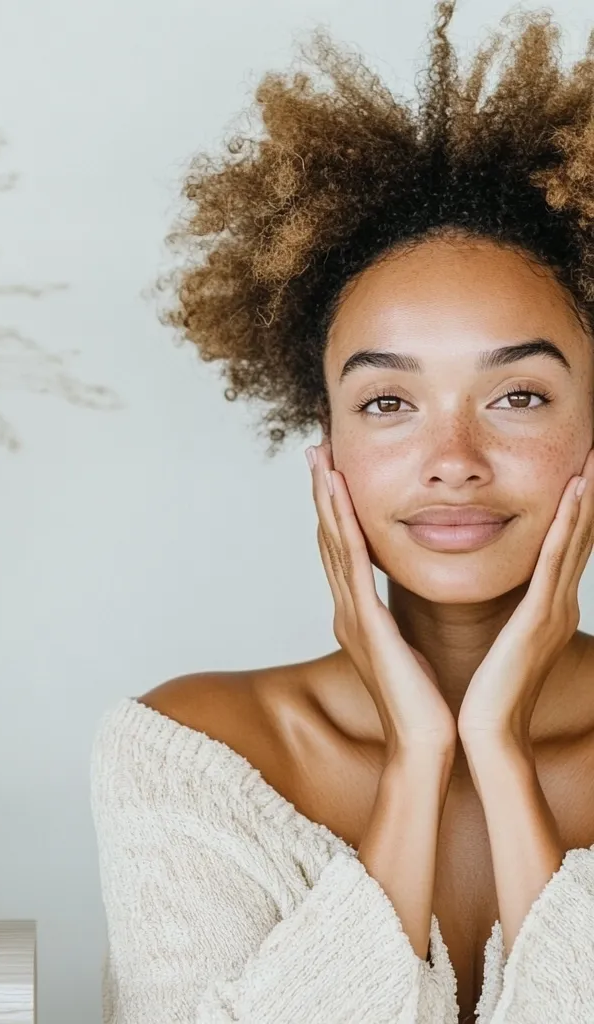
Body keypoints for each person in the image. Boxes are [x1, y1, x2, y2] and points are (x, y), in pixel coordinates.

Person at [89, 3, 594, 1022]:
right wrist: (418, 759)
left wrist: (496, 751)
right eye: (388, 404)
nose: (452, 461)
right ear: (327, 443)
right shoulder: (186, 753)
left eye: (518, 396)